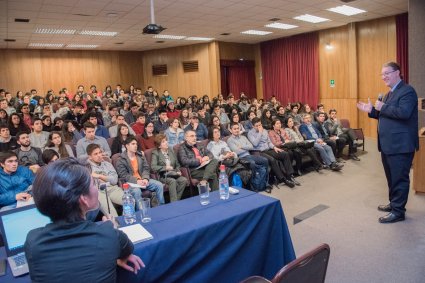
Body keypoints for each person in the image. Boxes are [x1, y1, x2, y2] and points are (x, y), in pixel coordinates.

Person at [24, 157, 144, 282]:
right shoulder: (109, 234)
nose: (96, 188)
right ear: (84, 199)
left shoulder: (33, 240)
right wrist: (112, 228)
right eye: (93, 183)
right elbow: (126, 250)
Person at [357, 61, 419, 223]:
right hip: (388, 145)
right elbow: (385, 115)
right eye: (382, 74)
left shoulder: (408, 91)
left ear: (397, 72)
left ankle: (398, 212)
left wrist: (382, 107)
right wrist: (371, 111)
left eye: (387, 73)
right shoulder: (388, 94)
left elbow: (404, 113)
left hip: (401, 145)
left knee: (399, 178)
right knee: (391, 177)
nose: (383, 76)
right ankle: (394, 203)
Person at [87, 143, 138, 217]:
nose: (99, 155)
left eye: (100, 152)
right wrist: (107, 178)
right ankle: (117, 226)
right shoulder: (87, 168)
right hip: (98, 192)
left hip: (112, 189)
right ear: (90, 157)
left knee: (130, 201)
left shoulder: (107, 164)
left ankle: (126, 221)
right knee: (113, 215)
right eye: (95, 154)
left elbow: (114, 180)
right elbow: (89, 185)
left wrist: (100, 176)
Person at [116, 136, 165, 205]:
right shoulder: (121, 160)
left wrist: (145, 178)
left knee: (159, 185)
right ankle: (140, 212)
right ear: (127, 146)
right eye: (133, 144)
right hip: (131, 183)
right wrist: (137, 181)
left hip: (142, 180)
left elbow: (146, 168)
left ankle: (161, 207)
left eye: (136, 144)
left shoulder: (140, 156)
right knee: (137, 191)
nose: (135, 146)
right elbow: (124, 175)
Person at [151, 134, 188, 202]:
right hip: (163, 175)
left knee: (184, 180)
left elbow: (177, 164)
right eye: (163, 141)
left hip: (173, 173)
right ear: (159, 146)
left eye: (166, 140)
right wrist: (165, 167)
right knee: (172, 181)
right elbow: (153, 167)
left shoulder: (171, 150)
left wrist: (178, 170)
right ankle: (175, 202)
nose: (166, 142)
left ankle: (175, 201)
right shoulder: (155, 153)